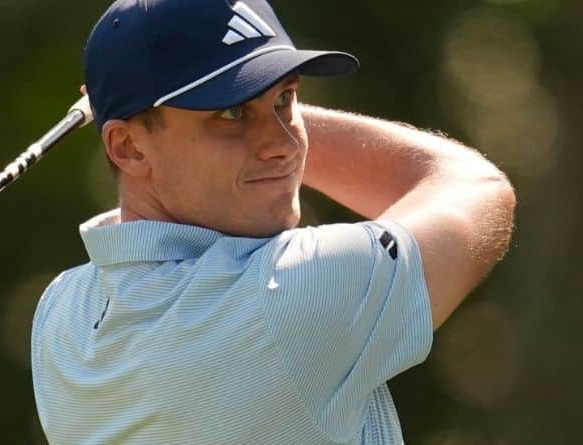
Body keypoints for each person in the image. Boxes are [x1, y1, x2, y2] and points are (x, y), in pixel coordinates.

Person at [31, 0, 516, 443]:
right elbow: (475, 187)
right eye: (232, 112)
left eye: (286, 99)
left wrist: (145, 109)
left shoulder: (61, 317)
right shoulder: (286, 296)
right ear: (128, 147)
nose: (284, 142)